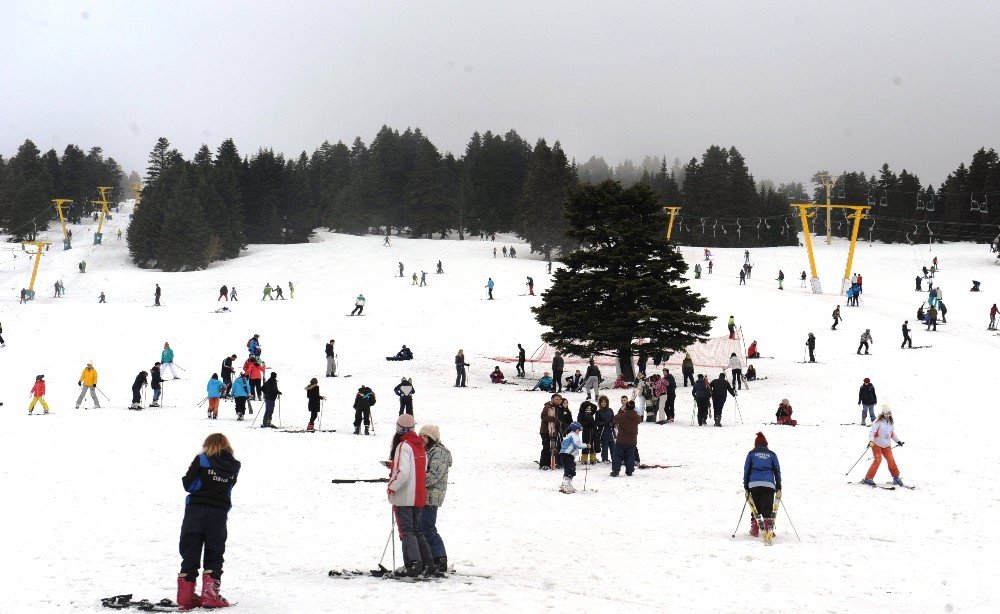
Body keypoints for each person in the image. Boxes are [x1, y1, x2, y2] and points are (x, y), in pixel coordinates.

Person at [177, 433, 240, 610]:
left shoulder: (202, 459)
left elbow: (188, 485)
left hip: (195, 511)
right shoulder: (234, 465)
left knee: (190, 551)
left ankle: (185, 597)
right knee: (214, 552)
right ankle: (211, 595)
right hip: (218, 513)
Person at [387, 414, 431, 577]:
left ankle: (413, 563)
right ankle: (426, 562)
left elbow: (403, 472)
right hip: (419, 494)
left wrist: (392, 486)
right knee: (416, 529)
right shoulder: (420, 445)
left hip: (405, 495)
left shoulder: (403, 446)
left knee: (406, 530)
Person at [419, 424, 451, 575]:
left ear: (432, 438)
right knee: (423, 527)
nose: (422, 439)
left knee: (428, 527)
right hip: (423, 495)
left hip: (431, 496)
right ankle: (430, 558)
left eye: (425, 436)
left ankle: (440, 558)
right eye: (421, 436)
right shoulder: (427, 451)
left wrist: (415, 482)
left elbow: (433, 475)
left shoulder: (438, 452)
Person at [743, 432, 781, 539]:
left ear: (756, 444)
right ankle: (767, 528)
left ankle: (755, 528)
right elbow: (777, 471)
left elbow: (747, 470)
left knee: (756, 506)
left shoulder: (751, 454)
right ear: (766, 444)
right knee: (767, 506)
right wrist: (778, 486)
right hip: (768, 484)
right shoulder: (772, 454)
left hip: (754, 484)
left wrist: (746, 486)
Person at [861, 406, 906, 487]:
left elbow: (892, 434)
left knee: (891, 460)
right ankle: (868, 478)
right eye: (886, 414)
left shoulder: (891, 422)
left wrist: (898, 441)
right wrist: (871, 441)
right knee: (878, 460)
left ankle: (896, 477)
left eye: (889, 413)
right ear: (883, 413)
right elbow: (872, 432)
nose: (888, 415)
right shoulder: (878, 421)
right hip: (876, 444)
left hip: (886, 445)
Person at [611, 397, 641, 477]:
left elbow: (614, 419)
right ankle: (629, 471)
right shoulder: (637, 417)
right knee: (630, 456)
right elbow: (639, 419)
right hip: (632, 440)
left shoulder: (622, 415)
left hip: (621, 440)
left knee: (618, 455)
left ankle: (616, 471)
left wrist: (621, 411)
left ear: (626, 407)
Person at [558, 422, 588, 493]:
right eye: (578, 430)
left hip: (565, 455)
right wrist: (586, 445)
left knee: (569, 469)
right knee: (570, 470)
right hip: (567, 455)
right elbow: (578, 445)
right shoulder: (574, 435)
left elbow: (563, 443)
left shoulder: (569, 435)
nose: (579, 431)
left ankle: (565, 484)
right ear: (574, 429)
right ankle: (566, 486)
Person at [539, 395, 560, 469]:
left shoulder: (557, 408)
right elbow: (543, 416)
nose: (557, 401)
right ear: (552, 399)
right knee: (546, 447)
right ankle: (543, 464)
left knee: (551, 448)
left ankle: (549, 463)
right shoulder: (547, 407)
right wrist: (554, 419)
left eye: (559, 400)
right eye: (556, 399)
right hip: (546, 431)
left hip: (553, 431)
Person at [577, 400, 598, 464]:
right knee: (586, 444)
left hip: (592, 431)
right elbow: (579, 421)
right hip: (586, 431)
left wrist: (589, 403)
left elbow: (595, 407)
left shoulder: (591, 413)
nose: (589, 408)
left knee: (592, 444)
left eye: (589, 407)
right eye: (587, 407)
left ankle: (593, 458)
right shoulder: (581, 413)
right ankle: (584, 459)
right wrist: (587, 424)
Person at [594, 396, 615, 462]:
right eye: (602, 402)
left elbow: (613, 419)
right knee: (604, 446)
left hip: (610, 431)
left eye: (604, 402)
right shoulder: (598, 412)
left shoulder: (610, 410)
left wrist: (612, 424)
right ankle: (605, 459)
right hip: (603, 431)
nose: (603, 403)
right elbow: (597, 422)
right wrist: (603, 423)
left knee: (612, 446)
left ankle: (614, 458)